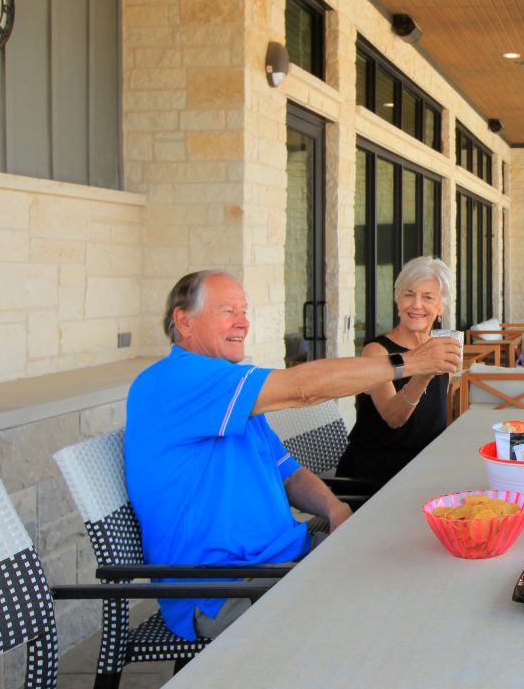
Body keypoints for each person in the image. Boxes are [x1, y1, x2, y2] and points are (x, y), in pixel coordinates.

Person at [125, 269, 461, 641]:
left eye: (245, 310)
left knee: (416, 568)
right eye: (228, 311)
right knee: (385, 611)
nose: (243, 322)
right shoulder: (177, 379)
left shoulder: (229, 391)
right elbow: (302, 389)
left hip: (287, 558)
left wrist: (335, 510)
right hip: (227, 586)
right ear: (183, 321)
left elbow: (289, 473)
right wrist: (410, 363)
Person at [339, 256, 458, 484]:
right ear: (398, 300)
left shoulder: (440, 349)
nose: (416, 305)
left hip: (425, 469)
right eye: (409, 294)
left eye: (428, 297)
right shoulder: (376, 352)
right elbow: (393, 418)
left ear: (440, 307)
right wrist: (423, 373)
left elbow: (431, 423)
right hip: (376, 477)